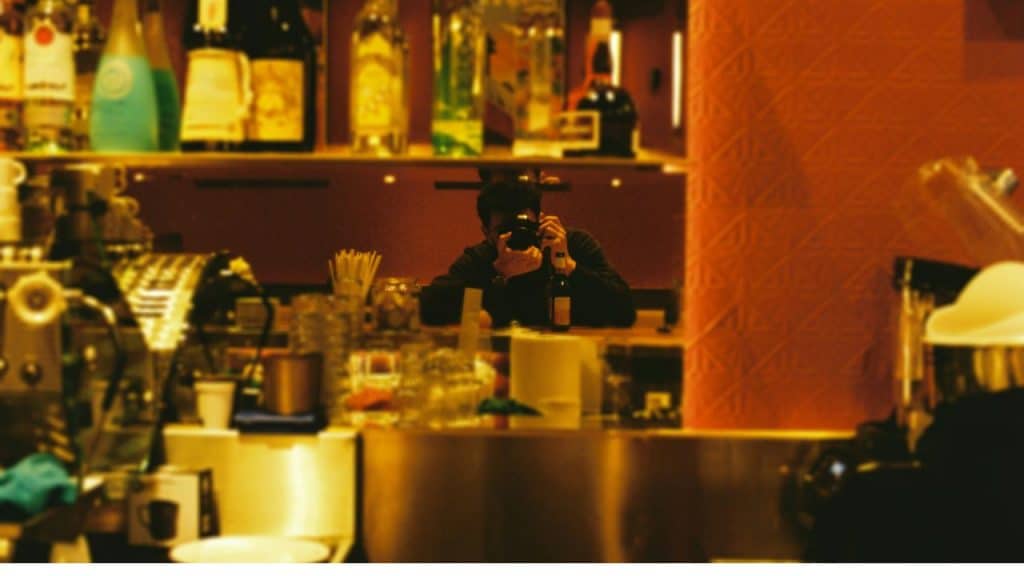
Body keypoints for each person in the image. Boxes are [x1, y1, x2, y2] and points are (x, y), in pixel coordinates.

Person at [420, 178, 636, 328]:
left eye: (524, 227)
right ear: (486, 232)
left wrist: (568, 266)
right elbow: (429, 307)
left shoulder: (571, 245)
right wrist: (498, 276)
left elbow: (625, 311)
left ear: (540, 219)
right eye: (504, 230)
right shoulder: (484, 257)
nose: (516, 236)